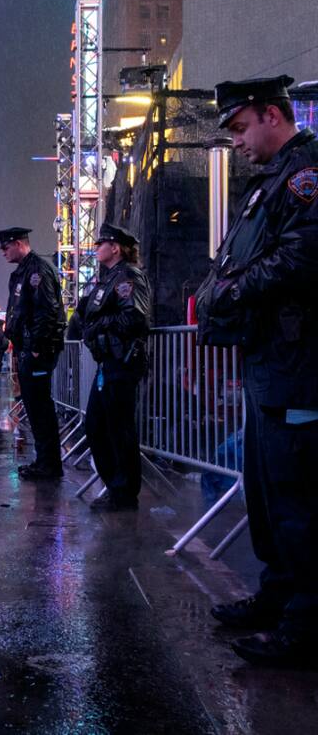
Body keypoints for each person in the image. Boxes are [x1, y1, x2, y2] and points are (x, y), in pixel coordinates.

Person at [195, 75, 318, 667]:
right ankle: (277, 599)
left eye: (242, 129)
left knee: (299, 503)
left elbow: (301, 256)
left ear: (274, 114)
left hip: (301, 366)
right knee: (269, 498)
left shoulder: (306, 177)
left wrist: (234, 290)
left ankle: (305, 625)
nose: (238, 143)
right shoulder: (268, 184)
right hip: (270, 362)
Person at [77, 224, 151, 512]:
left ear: (115, 248)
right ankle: (115, 487)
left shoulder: (128, 276)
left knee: (118, 429)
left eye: (101, 244)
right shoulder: (108, 279)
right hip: (109, 362)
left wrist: (100, 327)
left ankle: (124, 493)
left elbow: (135, 316)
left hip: (122, 361)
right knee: (96, 426)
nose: (96, 248)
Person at [0, 227, 67, 479]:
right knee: (34, 407)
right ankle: (44, 461)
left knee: (40, 407)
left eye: (6, 247)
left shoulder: (37, 270)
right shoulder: (22, 272)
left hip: (37, 349)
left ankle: (49, 464)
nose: (3, 253)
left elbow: (46, 311)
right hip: (27, 348)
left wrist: (37, 348)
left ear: (18, 244)